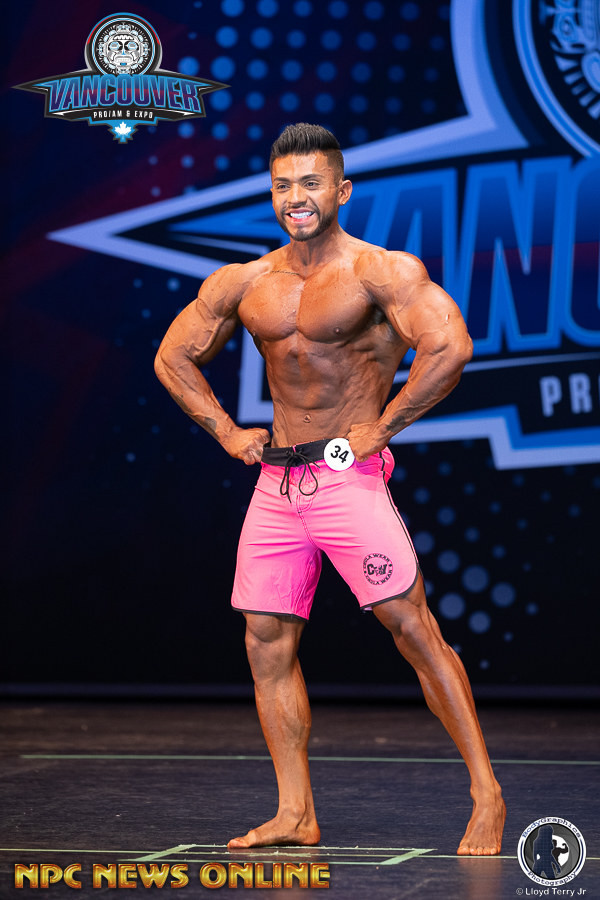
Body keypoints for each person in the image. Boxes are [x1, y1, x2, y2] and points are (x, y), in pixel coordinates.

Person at [154, 123, 506, 856]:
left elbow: (451, 346)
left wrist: (386, 425)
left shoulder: (381, 272)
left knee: (412, 628)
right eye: (284, 185)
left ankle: (486, 792)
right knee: (265, 642)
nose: (297, 197)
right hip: (277, 484)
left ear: (341, 190)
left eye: (311, 183)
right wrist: (227, 432)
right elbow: (173, 356)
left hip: (347, 475)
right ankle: (295, 813)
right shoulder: (246, 282)